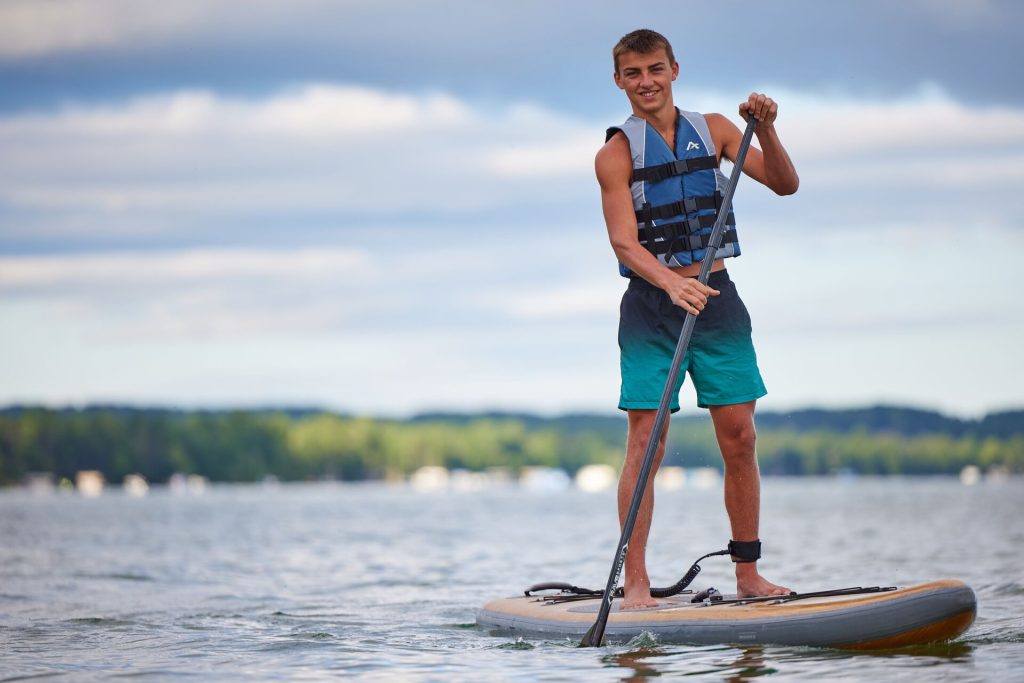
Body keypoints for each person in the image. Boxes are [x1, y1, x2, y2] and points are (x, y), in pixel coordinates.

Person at [595, 29, 800, 608]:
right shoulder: (614, 154)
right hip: (651, 309)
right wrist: (671, 282)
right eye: (633, 74)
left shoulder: (715, 129)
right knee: (647, 441)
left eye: (654, 69)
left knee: (740, 438)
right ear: (619, 82)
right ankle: (635, 581)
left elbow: (785, 184)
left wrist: (768, 128)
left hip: (717, 302)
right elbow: (623, 243)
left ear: (674, 69)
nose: (646, 82)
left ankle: (748, 575)